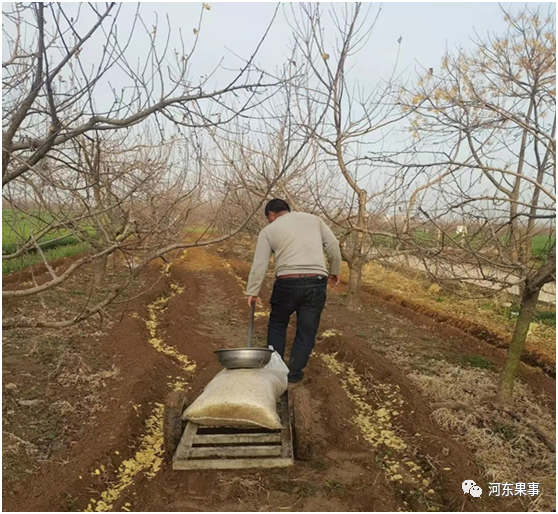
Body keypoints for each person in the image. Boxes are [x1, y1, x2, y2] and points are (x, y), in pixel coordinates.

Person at [245, 198, 342, 383]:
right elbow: (333, 245)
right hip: (316, 281)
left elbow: (260, 264)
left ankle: (276, 371)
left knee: (278, 324)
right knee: (307, 329)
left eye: (268, 218)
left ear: (271, 215)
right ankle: (294, 373)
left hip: (287, 282)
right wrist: (335, 270)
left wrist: (253, 291)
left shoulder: (268, 231)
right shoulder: (314, 220)